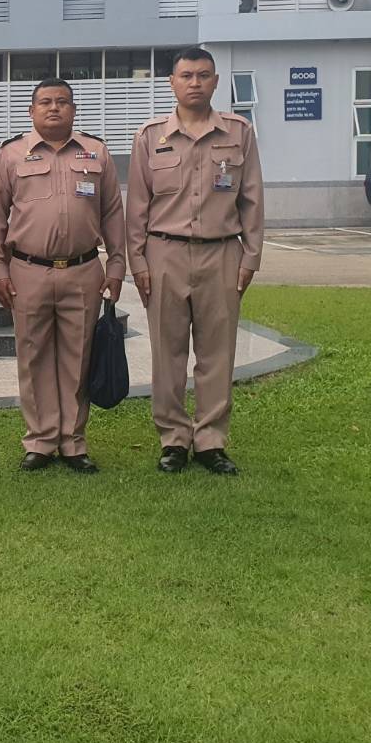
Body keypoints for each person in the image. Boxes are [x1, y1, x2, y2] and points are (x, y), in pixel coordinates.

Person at [126, 47, 265, 475]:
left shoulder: (238, 133)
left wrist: (251, 258)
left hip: (221, 252)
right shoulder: (150, 136)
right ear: (172, 82)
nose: (195, 83)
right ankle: (173, 439)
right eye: (186, 76)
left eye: (203, 75)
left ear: (216, 82)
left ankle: (210, 440)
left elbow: (252, 199)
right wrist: (139, 263)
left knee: (216, 353)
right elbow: (136, 207)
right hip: (164, 253)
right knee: (167, 352)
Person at [0, 78, 125, 473]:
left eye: (62, 101)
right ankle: (41, 440)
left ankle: (73, 440)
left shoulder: (96, 152)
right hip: (28, 270)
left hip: (83, 270)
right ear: (31, 111)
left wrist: (117, 265)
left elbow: (113, 213)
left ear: (73, 109)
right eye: (45, 102)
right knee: (34, 357)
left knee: (78, 356)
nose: (54, 108)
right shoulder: (11, 154)